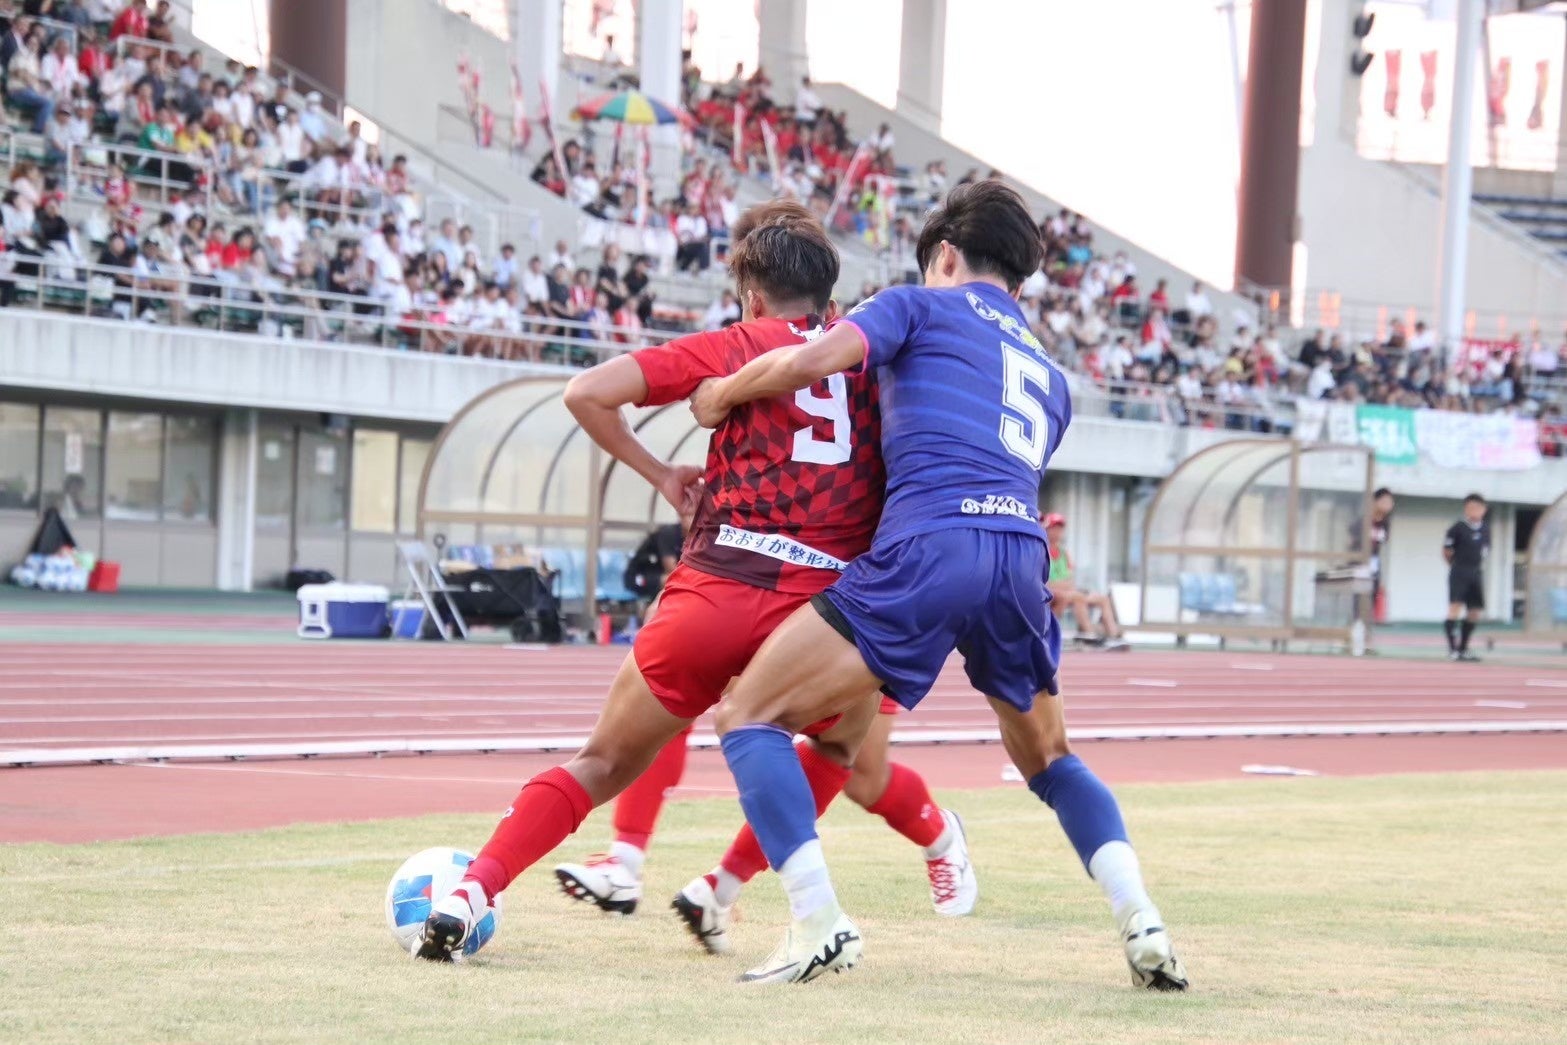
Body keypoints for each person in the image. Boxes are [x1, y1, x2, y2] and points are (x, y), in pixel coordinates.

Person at [411, 200, 973, 962]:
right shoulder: (876, 360)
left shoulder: (735, 343)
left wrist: (664, 474)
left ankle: (472, 888)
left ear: (750, 297)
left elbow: (586, 392)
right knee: (839, 754)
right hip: (826, 613)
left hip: (717, 586)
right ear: (833, 305)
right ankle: (727, 883)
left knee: (603, 759)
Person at [685, 182, 1186, 988]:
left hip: (928, 548)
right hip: (1022, 556)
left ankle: (815, 920)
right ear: (1017, 284)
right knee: (1051, 759)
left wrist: (721, 392)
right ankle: (1141, 918)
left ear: (945, 256)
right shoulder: (1052, 378)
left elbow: (813, 361)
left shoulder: (916, 303)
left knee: (747, 714)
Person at [1043, 513, 1127, 650]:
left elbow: (1070, 578)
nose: (1057, 532)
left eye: (1060, 528)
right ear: (1046, 529)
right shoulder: (1041, 550)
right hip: (1052, 593)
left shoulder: (1064, 553)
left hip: (1068, 592)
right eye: (1054, 528)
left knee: (1102, 599)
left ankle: (1113, 636)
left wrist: (1066, 586)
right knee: (1076, 596)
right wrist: (1065, 586)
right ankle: (1089, 634)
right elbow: (1045, 582)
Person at [1443, 493, 1489, 662]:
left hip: (1476, 572)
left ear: (1484, 509)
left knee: (1474, 611)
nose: (1474, 511)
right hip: (1459, 572)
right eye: (1470, 507)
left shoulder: (1485, 529)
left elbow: (1485, 551)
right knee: (1455, 607)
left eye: (1477, 507)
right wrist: (1456, 566)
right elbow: (1447, 551)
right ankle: (1452, 649)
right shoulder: (1457, 528)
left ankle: (1463, 648)